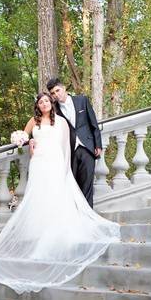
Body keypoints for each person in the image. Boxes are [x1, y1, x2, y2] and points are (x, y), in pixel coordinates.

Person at [0, 92, 119, 294]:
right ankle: (38, 233)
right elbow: (24, 137)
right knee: (39, 198)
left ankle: (53, 237)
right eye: (41, 102)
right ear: (37, 106)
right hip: (39, 163)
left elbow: (66, 147)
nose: (44, 104)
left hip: (56, 163)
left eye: (47, 100)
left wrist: (66, 169)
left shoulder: (62, 123)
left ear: (51, 103)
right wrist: (27, 141)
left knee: (55, 198)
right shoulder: (33, 121)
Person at [47, 77, 102, 207]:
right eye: (53, 93)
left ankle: (88, 216)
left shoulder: (82, 100)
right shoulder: (54, 110)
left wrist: (98, 144)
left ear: (64, 88)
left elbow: (93, 123)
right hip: (69, 152)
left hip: (87, 147)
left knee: (87, 185)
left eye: (57, 90)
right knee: (73, 187)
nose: (56, 95)